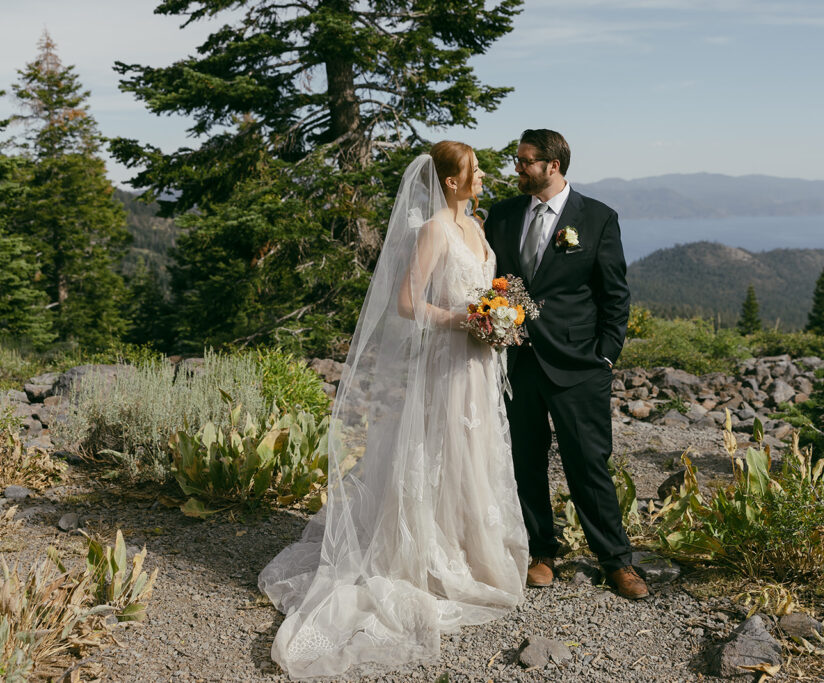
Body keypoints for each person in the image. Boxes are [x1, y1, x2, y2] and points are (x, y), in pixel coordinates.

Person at [259, 142, 528, 678]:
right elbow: (407, 303)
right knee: (441, 449)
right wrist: (464, 319)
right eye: (475, 172)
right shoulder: (434, 231)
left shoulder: (476, 229)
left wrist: (500, 317)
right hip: (447, 360)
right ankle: (430, 555)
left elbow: (488, 288)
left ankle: (474, 552)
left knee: (475, 451)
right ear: (451, 181)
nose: (483, 178)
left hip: (478, 365)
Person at [485, 129, 650, 600]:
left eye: (525, 161)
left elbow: (615, 295)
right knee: (525, 461)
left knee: (588, 464)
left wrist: (605, 355)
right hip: (518, 360)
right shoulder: (501, 215)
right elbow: (494, 280)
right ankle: (540, 552)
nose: (517, 168)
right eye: (517, 160)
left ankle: (617, 561)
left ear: (552, 165)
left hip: (579, 365)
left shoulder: (597, 218)